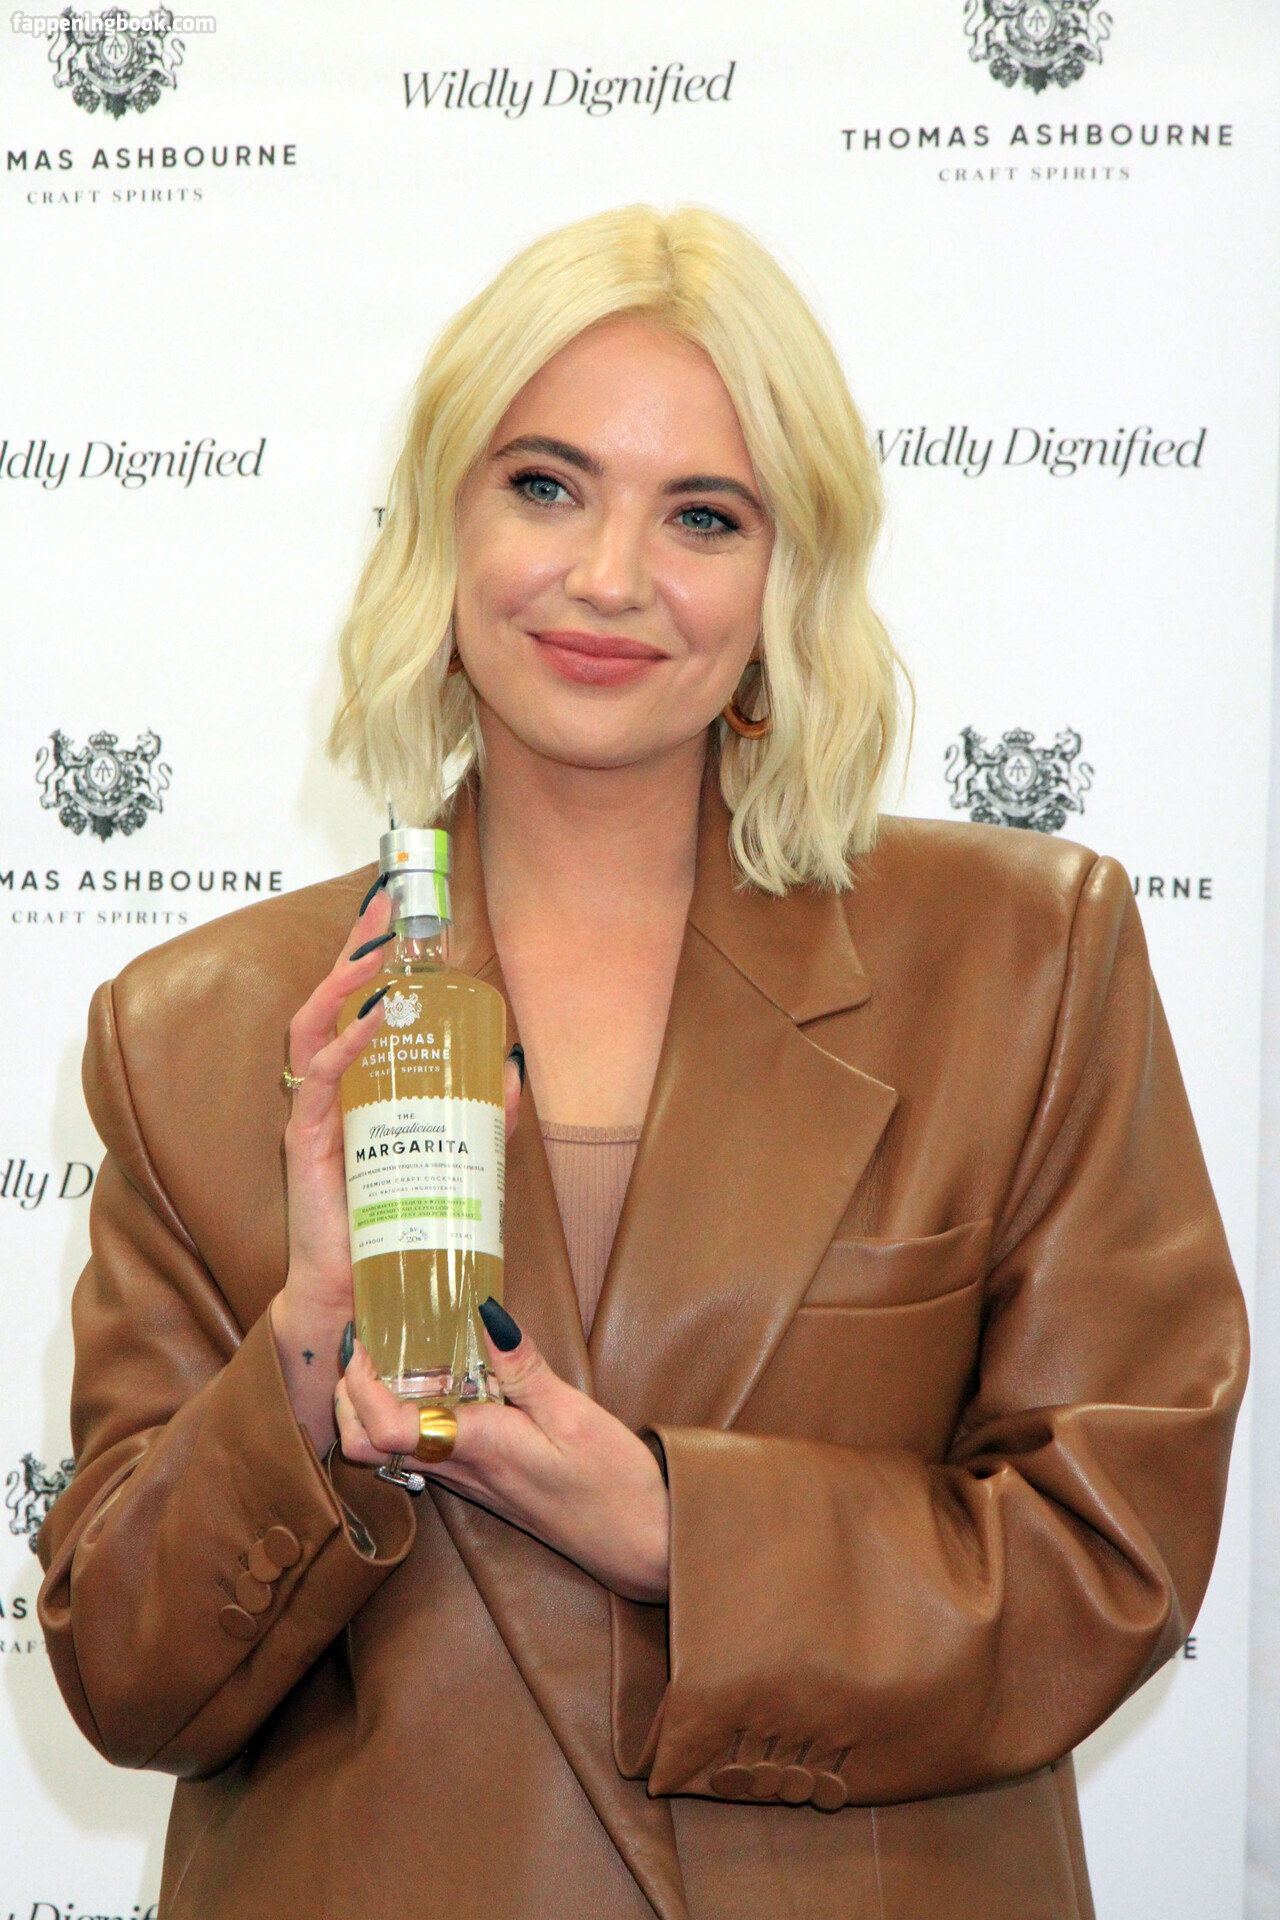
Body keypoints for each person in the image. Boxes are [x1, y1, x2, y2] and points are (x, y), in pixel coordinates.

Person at [38, 205, 1246, 1920]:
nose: (611, 575)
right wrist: (307, 1347)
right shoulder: (197, 1030)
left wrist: (684, 1530)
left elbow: (1114, 1558)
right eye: (546, 486)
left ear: (786, 577)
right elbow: (124, 1682)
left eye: (702, 515)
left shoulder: (1024, 960)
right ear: (442, 525)